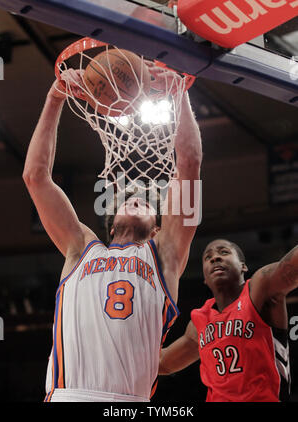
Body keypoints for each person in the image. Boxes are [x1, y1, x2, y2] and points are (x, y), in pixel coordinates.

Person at [22, 68, 202, 402]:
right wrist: (55, 97)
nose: (137, 197)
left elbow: (189, 162)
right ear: (111, 220)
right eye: (130, 198)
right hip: (68, 396)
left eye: (148, 201)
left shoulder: (165, 255)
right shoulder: (81, 248)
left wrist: (178, 92)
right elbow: (35, 176)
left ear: (159, 227)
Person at [159, 238, 293, 402]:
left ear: (243, 266)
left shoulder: (260, 288)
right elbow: (163, 363)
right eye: (208, 257)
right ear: (205, 279)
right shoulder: (199, 322)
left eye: (224, 252)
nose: (215, 258)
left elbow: (289, 269)